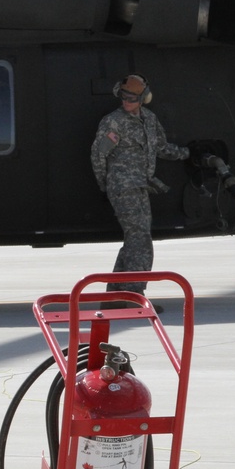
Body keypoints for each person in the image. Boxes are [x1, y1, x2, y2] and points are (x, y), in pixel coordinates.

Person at [90, 74, 188, 304]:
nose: (126, 102)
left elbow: (161, 147)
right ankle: (134, 293)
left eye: (132, 99)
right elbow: (98, 153)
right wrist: (106, 184)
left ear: (143, 99)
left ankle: (115, 295)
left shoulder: (150, 120)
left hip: (141, 186)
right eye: (123, 97)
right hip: (123, 187)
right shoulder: (114, 122)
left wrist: (187, 154)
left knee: (135, 237)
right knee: (140, 238)